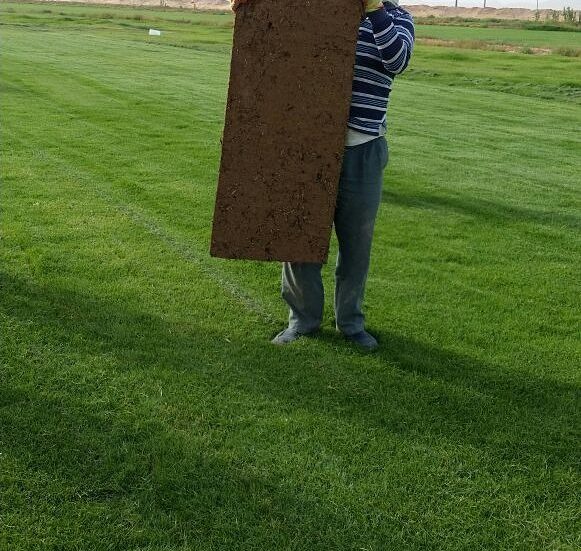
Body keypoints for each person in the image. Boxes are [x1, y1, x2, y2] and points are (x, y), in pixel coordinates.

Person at [231, 0, 415, 351]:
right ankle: (302, 321)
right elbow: (277, 49)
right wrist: (253, 14)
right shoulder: (317, 8)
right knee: (299, 238)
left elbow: (397, 61)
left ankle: (351, 323)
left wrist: (374, 9)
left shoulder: (398, 18)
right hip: (309, 144)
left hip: (363, 148)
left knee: (356, 244)